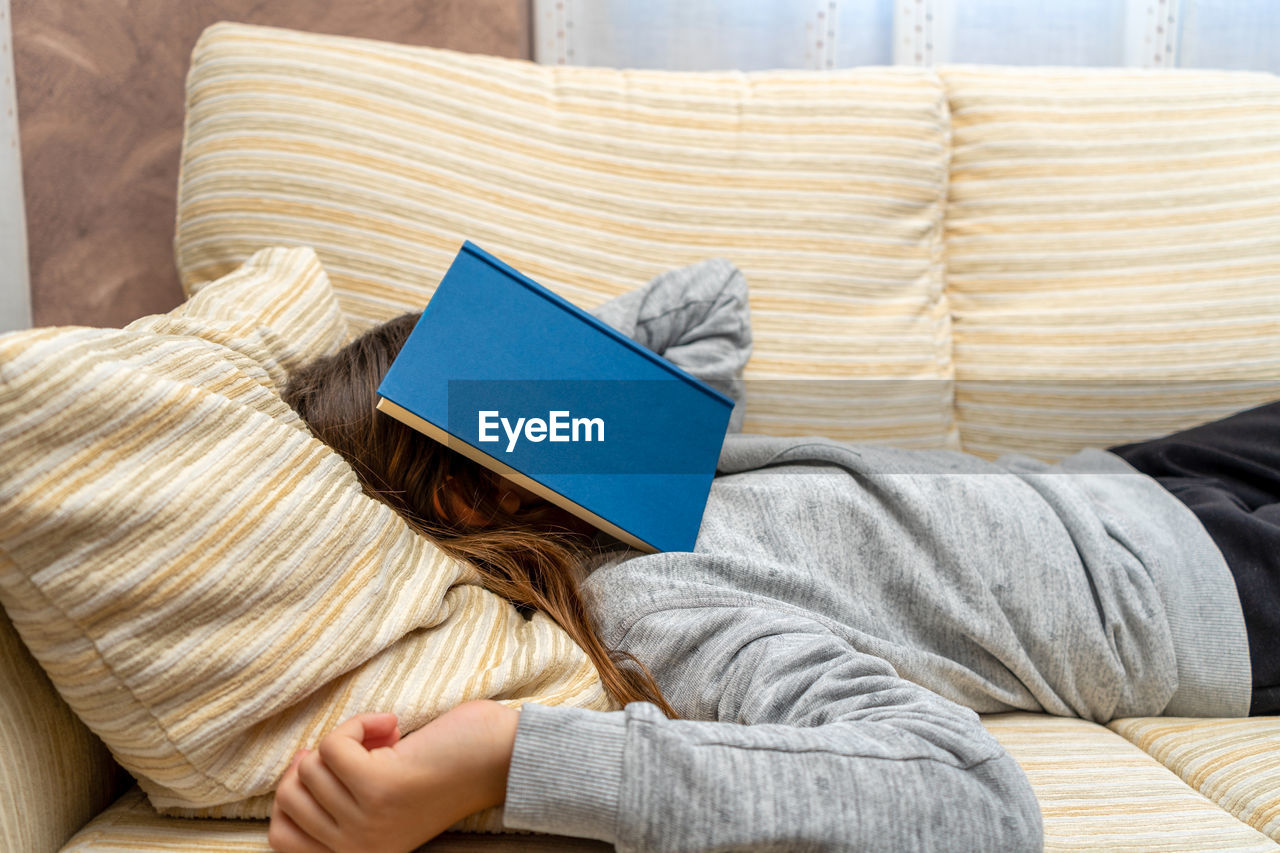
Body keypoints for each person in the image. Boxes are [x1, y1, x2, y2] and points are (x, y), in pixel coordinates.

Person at [267, 259, 1275, 853]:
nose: (537, 387)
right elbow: (972, 797)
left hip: (1118, 479)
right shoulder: (656, 605)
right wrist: (511, 756)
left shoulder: (638, 471)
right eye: (507, 395)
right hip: (1196, 590)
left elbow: (709, 300)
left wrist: (577, 404)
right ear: (464, 494)